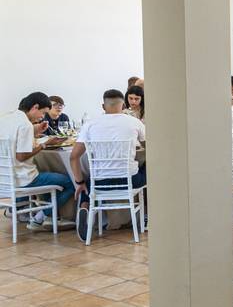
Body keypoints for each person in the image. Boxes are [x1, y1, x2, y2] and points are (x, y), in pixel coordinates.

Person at [71, 89, 147, 241]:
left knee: (87, 182)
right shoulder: (134, 122)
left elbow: (74, 157)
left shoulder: (90, 124)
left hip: (100, 182)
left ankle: (84, 207)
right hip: (129, 180)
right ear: (123, 104)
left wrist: (79, 183)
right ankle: (146, 216)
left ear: (103, 106)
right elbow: (150, 147)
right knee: (147, 167)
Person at [0, 92, 73, 229]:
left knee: (47, 174)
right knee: (70, 182)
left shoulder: (6, 118)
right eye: (43, 113)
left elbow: (14, 135)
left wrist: (34, 129)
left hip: (5, 178)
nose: (42, 117)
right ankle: (42, 217)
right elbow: (21, 156)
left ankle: (27, 213)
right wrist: (44, 144)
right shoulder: (25, 125)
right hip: (24, 179)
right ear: (35, 107)